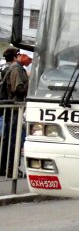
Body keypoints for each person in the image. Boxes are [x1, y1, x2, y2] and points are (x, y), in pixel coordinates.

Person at [0, 47, 30, 177]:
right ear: (15, 57)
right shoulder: (16, 68)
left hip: (10, 108)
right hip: (14, 107)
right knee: (13, 139)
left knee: (8, 138)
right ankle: (11, 169)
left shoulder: (11, 68)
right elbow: (18, 88)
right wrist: (30, 88)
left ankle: (4, 167)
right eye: (19, 54)